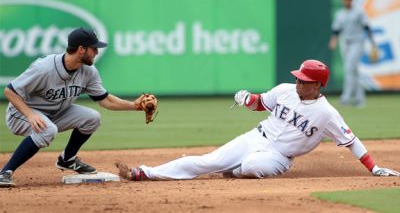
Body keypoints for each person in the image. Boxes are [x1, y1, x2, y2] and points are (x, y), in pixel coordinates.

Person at [115, 59, 399, 181]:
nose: (298, 83)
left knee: (250, 167)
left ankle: (236, 169)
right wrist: (245, 98)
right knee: (207, 161)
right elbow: (259, 103)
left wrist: (374, 168)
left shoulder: (327, 114)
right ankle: (144, 172)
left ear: (319, 85)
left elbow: (351, 141)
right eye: (298, 78)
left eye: (305, 81)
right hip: (256, 136)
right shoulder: (286, 91)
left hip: (280, 156)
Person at [0, 27, 157, 187]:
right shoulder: (44, 68)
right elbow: (10, 91)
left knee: (92, 118)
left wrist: (135, 106)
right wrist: (30, 115)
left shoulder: (88, 71)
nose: (96, 52)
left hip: (54, 113)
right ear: (81, 49)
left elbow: (106, 100)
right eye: (94, 48)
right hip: (20, 115)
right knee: (48, 129)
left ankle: (67, 159)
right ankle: (5, 172)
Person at [329, 0, 376, 107]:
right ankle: (360, 99)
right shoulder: (340, 14)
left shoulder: (359, 12)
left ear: (352, 0)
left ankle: (346, 97)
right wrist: (333, 40)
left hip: (357, 42)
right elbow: (336, 30)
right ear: (343, 1)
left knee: (349, 68)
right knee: (353, 70)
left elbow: (366, 27)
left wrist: (373, 43)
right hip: (345, 43)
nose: (347, 1)